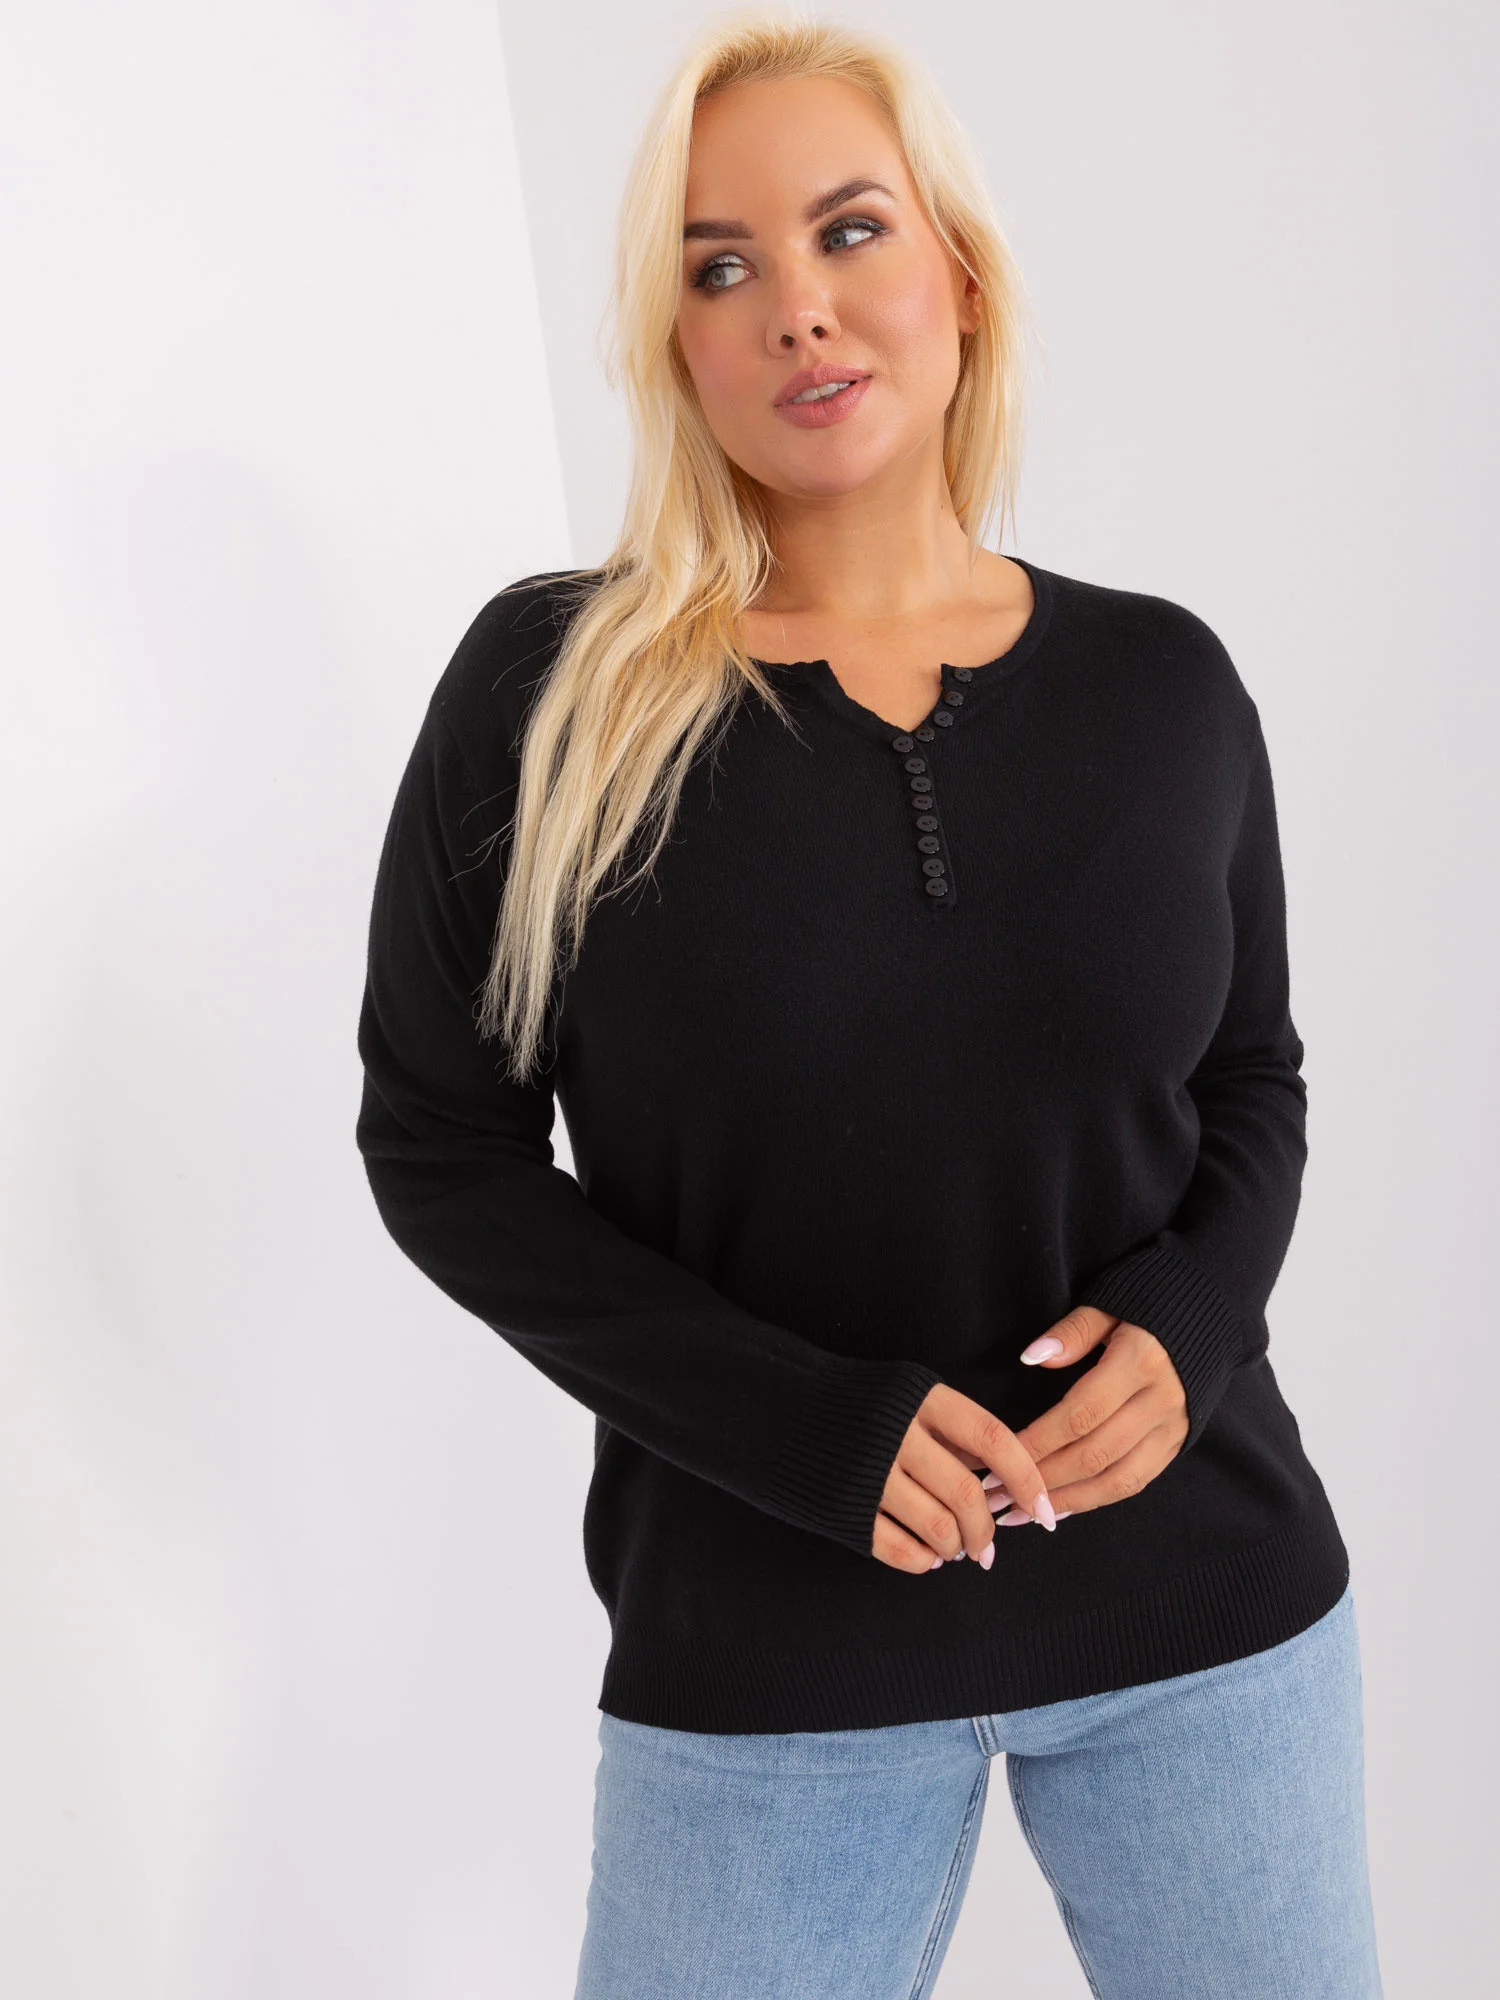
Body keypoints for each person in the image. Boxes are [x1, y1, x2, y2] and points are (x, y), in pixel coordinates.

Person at [355, 12, 1382, 1997]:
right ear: (672, 340)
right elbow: (442, 1147)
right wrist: (805, 1428)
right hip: (766, 1646)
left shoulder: (1166, 685)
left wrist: (1192, 1325)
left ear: (959, 277)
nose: (796, 308)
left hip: (1208, 1612)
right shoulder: (552, 696)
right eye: (718, 266)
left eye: (848, 232)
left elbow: (1252, 1078)